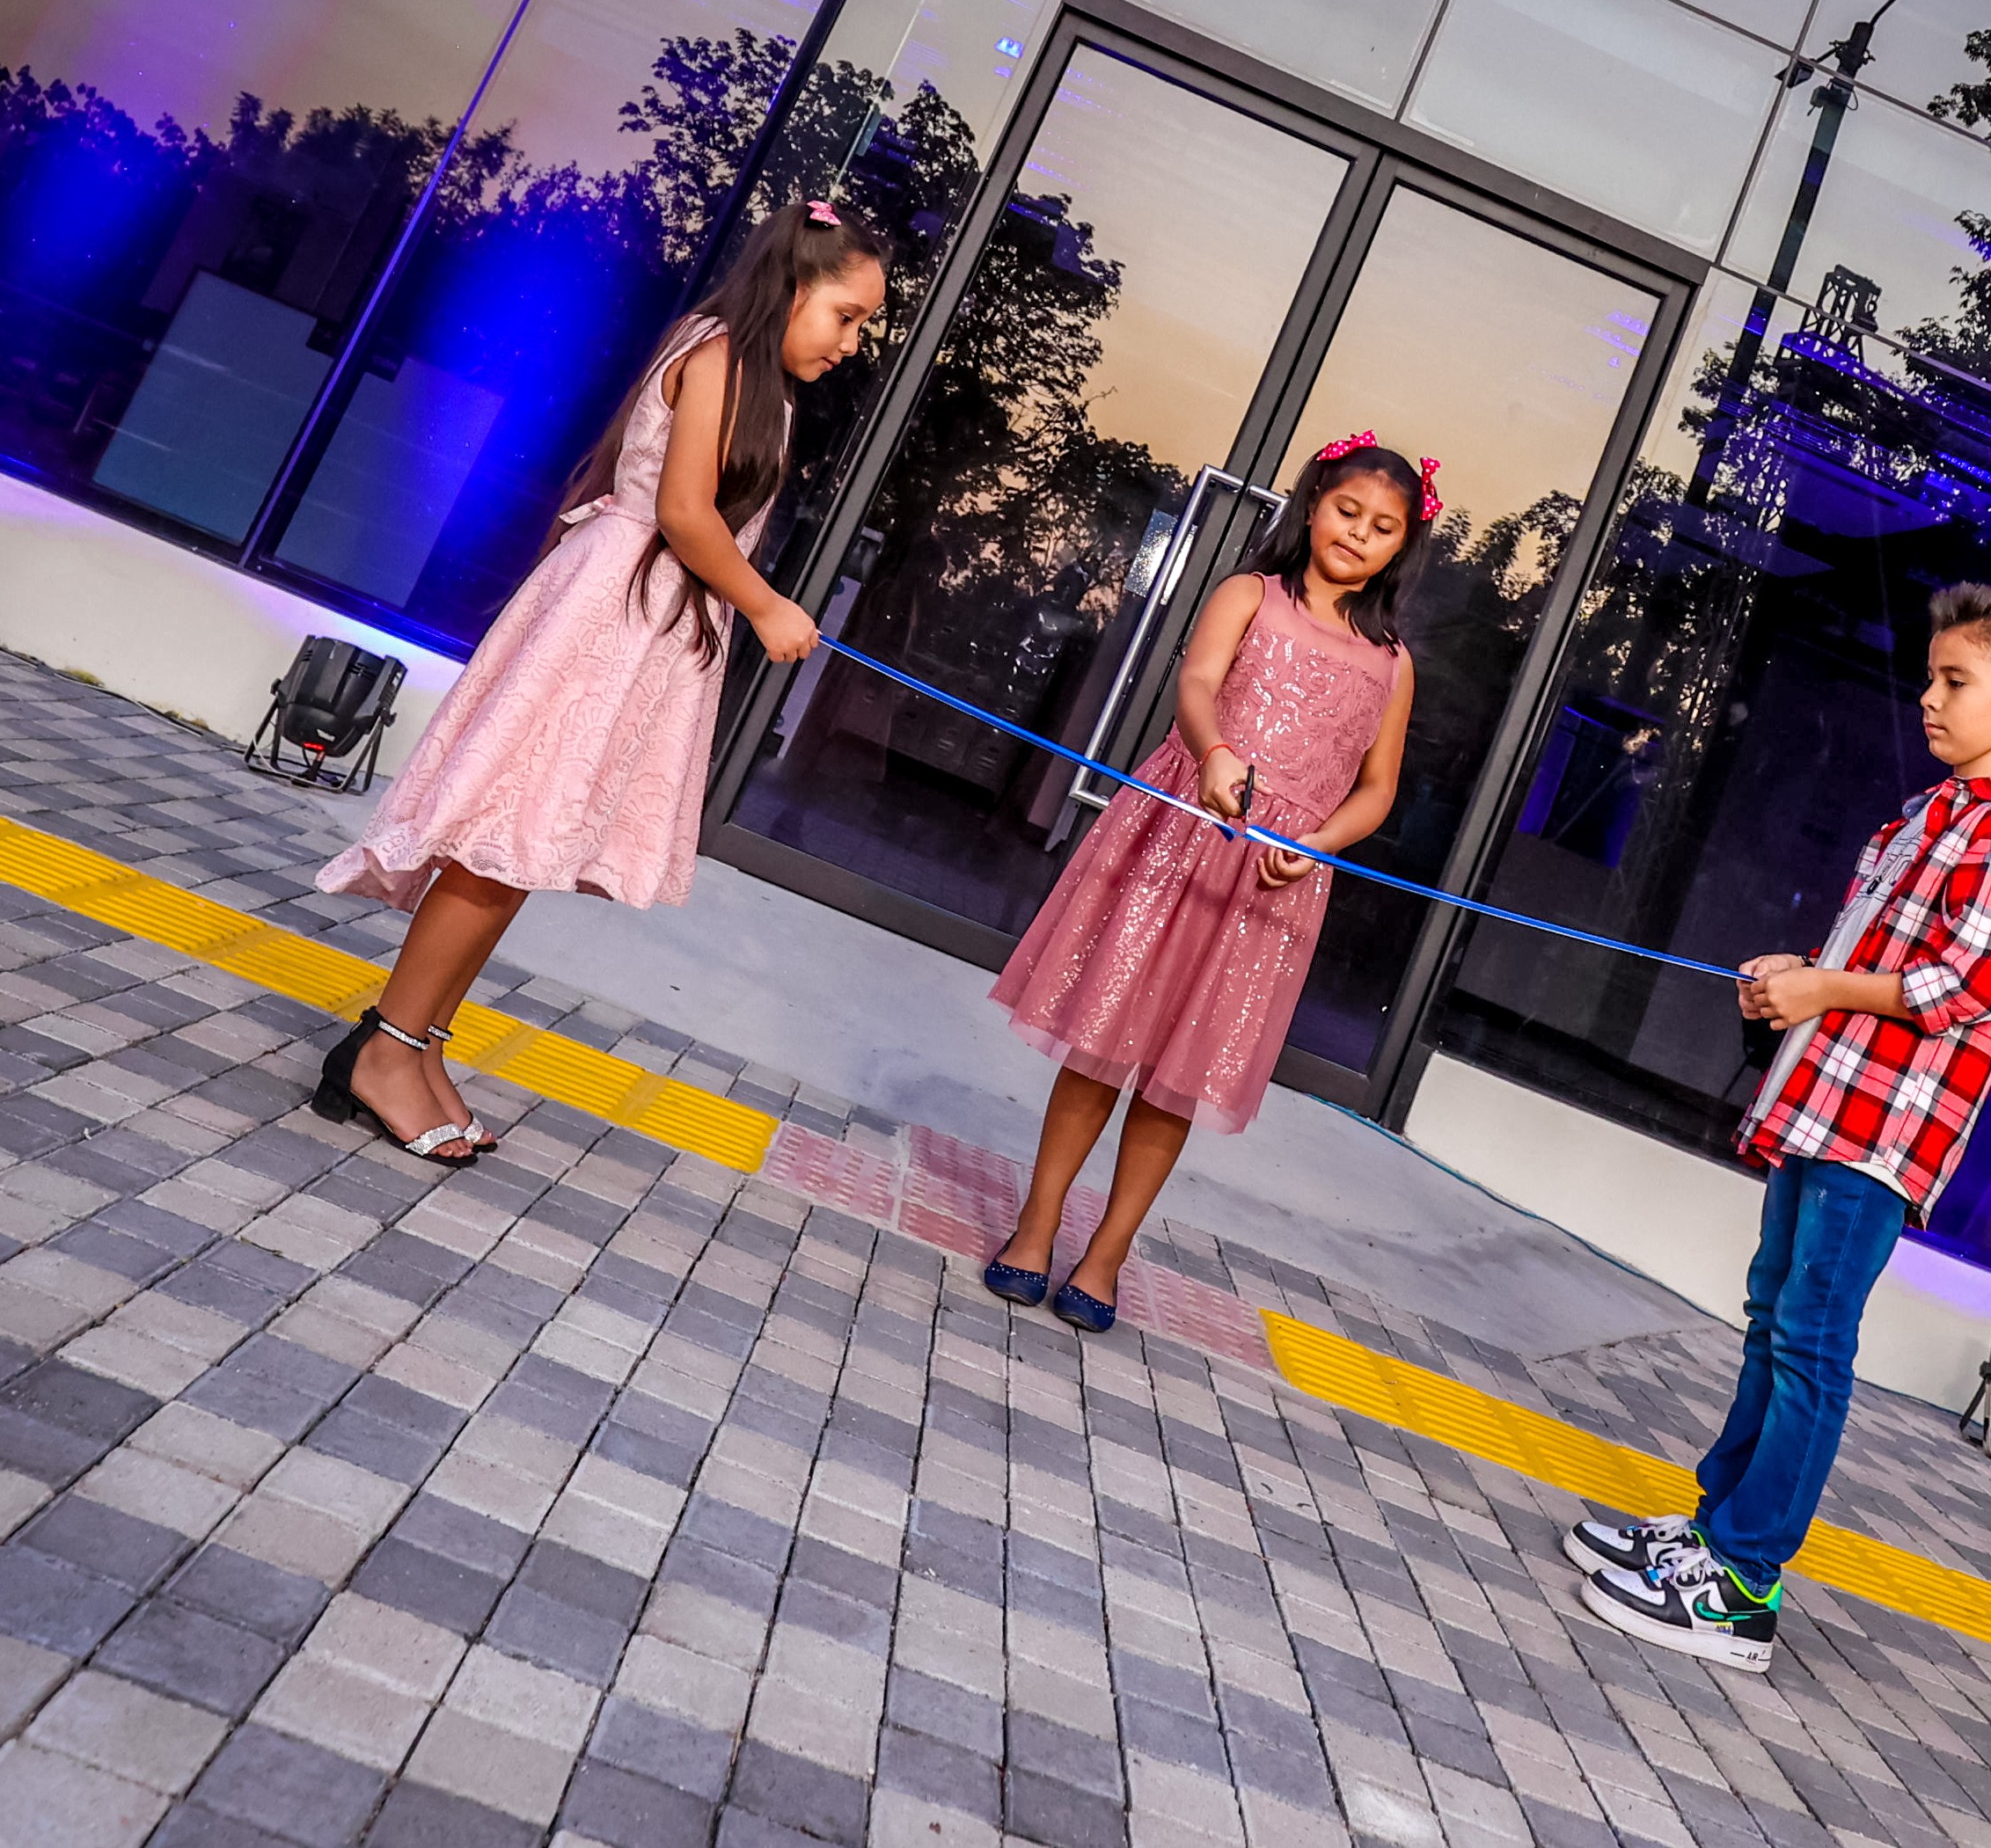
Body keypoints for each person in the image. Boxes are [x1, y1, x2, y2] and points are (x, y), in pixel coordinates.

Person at [310, 199, 889, 1162]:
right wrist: (765, 605)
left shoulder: (761, 385)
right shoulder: (715, 355)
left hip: (643, 625)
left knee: (524, 847)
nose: (852, 343)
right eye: (847, 316)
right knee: (499, 841)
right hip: (607, 618)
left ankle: (420, 1043)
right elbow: (686, 513)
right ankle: (386, 1050)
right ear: (791, 288)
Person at [1569, 583, 1991, 1672]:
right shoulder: (1928, 814)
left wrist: (1826, 987)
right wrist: (1800, 975)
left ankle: (1744, 1585)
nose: (1929, 698)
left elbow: (1965, 988)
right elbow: (1880, 963)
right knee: (1774, 1321)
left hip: (1881, 1136)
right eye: (1931, 677)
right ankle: (1714, 1532)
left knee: (1811, 1343)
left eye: (1955, 681)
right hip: (1822, 1107)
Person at [981, 434, 1431, 1330]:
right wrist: (1216, 752)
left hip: (1272, 879)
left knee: (1176, 1074)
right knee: (1102, 1044)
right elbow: (1195, 684)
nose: (1358, 533)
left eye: (1382, 527)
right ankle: (1036, 1226)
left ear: (1401, 547)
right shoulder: (1249, 594)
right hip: (1181, 834)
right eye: (1347, 511)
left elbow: (1377, 789)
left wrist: (1319, 842)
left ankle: (1106, 1257)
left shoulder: (1392, 662)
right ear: (1312, 506)